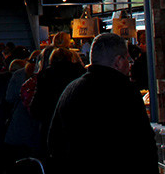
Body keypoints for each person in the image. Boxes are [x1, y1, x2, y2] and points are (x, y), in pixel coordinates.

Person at [47, 33, 157, 174]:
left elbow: (53, 142)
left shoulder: (71, 89)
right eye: (127, 60)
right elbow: (143, 145)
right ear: (118, 61)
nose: (129, 65)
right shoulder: (124, 91)